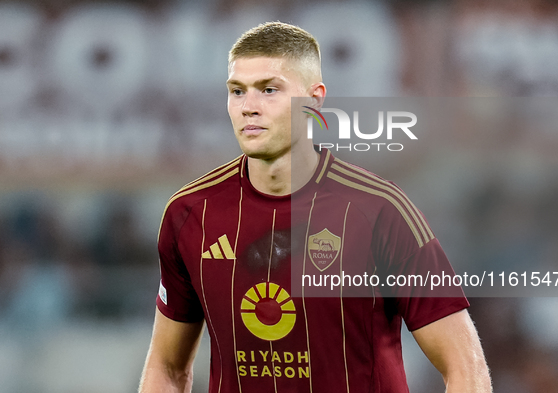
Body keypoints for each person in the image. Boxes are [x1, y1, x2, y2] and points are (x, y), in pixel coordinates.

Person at [139, 22, 492, 393]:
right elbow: (166, 367)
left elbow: (465, 367)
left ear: (314, 99)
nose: (249, 107)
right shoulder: (190, 214)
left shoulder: (380, 210)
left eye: (269, 90)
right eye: (237, 91)